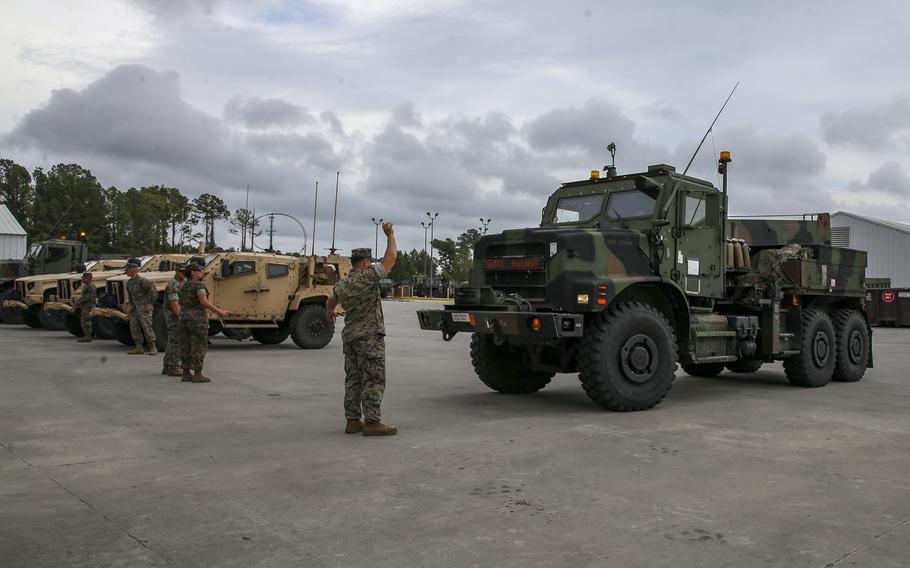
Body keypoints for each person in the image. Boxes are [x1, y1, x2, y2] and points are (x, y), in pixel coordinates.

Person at [326, 222, 397, 436]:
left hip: (350, 338)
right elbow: (391, 257)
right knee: (373, 379)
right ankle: (373, 422)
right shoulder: (368, 276)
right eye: (370, 261)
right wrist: (390, 235)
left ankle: (352, 420)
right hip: (369, 338)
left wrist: (329, 313)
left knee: (353, 379)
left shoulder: (342, 284)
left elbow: (330, 302)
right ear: (366, 263)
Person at [178, 262, 229, 383]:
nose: (202, 273)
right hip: (197, 320)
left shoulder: (183, 286)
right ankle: (197, 374)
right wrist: (219, 311)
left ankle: (186, 373)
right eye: (199, 271)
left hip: (183, 319)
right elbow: (203, 301)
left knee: (185, 345)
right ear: (193, 273)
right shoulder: (198, 285)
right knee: (198, 345)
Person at [125, 259, 159, 355]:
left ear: (133, 270)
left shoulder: (143, 281)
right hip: (135, 309)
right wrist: (130, 306)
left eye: (127, 270)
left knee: (146, 327)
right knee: (134, 327)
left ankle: (153, 347)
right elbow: (131, 297)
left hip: (144, 308)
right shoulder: (129, 283)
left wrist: (150, 303)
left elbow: (153, 291)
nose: (126, 272)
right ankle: (138, 347)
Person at [161, 263, 186, 377]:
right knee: (176, 341)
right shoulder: (172, 285)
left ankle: (167, 366)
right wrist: (183, 318)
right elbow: (175, 305)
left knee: (172, 341)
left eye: (184, 272)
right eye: (181, 272)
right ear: (176, 271)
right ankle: (174, 366)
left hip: (178, 315)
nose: (182, 274)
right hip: (173, 317)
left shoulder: (183, 283)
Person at [76, 272, 96, 343]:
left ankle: (88, 336)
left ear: (88, 278)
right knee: (85, 320)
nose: (83, 279)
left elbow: (88, 297)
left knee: (86, 321)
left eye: (84, 278)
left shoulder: (90, 286)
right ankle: (87, 335)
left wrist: (80, 302)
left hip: (88, 306)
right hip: (85, 305)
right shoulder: (86, 286)